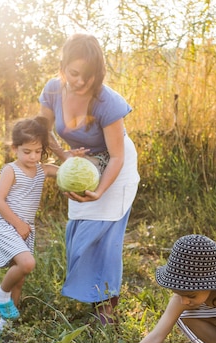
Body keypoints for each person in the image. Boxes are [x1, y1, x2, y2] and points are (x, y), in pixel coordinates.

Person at [38, 33, 140, 324]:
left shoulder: (107, 101)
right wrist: (64, 157)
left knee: (104, 235)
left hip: (114, 168)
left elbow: (117, 156)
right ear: (63, 66)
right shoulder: (53, 90)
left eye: (89, 75)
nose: (80, 81)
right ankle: (94, 295)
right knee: (81, 233)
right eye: (74, 73)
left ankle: (107, 306)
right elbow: (43, 130)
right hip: (83, 165)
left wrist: (100, 190)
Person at [0, 116, 59, 338]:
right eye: (27, 151)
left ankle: (5, 328)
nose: (33, 156)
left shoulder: (41, 170)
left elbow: (65, 170)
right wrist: (18, 224)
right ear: (15, 149)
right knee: (27, 264)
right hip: (7, 224)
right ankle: (0, 294)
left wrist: (72, 158)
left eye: (38, 151)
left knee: (19, 280)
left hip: (25, 229)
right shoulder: (11, 170)